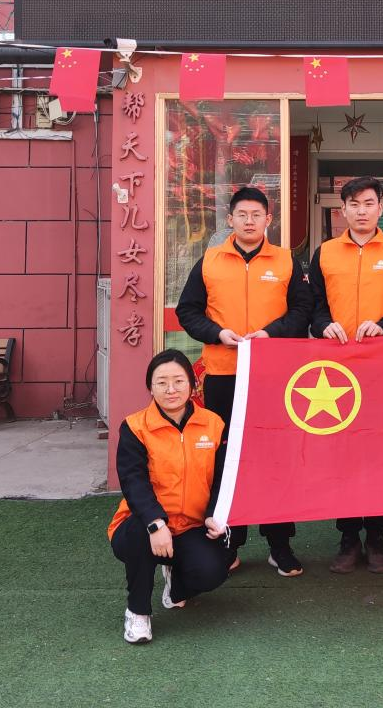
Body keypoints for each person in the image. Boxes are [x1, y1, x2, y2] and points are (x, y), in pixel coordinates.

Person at [174, 186, 312, 578]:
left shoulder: (286, 261)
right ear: (230, 219)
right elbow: (188, 311)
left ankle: (280, 544)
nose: (249, 221)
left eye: (256, 215)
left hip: (275, 375)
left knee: (275, 457)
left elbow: (303, 310)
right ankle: (230, 542)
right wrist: (217, 334)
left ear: (269, 220)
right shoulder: (210, 261)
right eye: (242, 214)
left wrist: (271, 333)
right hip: (224, 374)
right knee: (226, 457)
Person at [309, 175, 383, 575]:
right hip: (336, 372)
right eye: (353, 204)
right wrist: (324, 325)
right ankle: (347, 536)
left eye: (369, 203)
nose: (361, 211)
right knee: (343, 453)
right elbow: (313, 305)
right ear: (342, 210)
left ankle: (376, 536)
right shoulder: (324, 253)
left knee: (378, 452)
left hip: (382, 367)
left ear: (380, 209)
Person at [107, 350, 231, 644]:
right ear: (150, 387)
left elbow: (223, 477)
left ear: (192, 384)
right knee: (140, 534)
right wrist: (155, 523)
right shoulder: (135, 427)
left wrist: (213, 514)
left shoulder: (213, 424)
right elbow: (133, 481)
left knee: (213, 571)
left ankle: (177, 587)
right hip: (142, 525)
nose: (171, 389)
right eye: (161, 382)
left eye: (178, 381)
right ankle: (138, 612)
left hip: (191, 525)